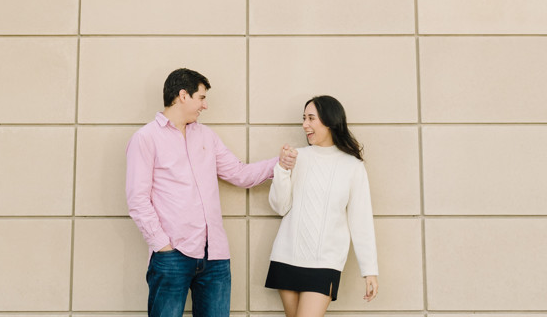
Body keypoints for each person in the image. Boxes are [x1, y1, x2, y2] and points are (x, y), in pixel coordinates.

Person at [126, 68, 296, 317]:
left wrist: (278, 164)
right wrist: (162, 245)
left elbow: (240, 174)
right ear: (183, 96)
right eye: (202, 98)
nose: (205, 106)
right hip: (172, 256)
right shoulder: (145, 138)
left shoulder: (207, 136)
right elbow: (137, 199)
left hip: (215, 256)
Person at [265, 95, 378, 314]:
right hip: (286, 257)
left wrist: (370, 270)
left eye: (311, 118)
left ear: (329, 121)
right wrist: (282, 170)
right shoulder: (298, 157)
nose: (305, 125)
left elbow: (361, 221)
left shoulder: (352, 166)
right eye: (304, 118)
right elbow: (280, 207)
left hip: (325, 264)